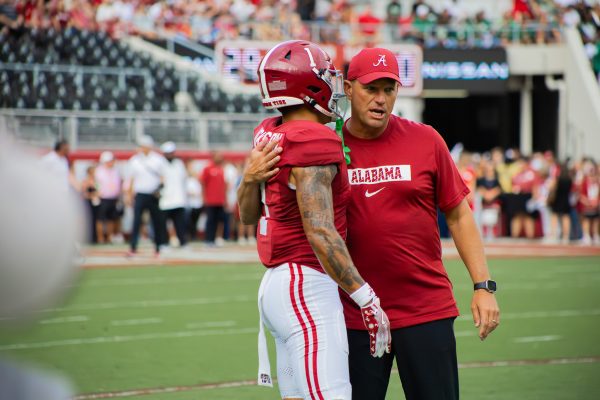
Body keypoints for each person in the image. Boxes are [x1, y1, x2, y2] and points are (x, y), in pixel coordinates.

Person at [243, 46, 500, 400]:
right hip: (352, 311)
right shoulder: (324, 138)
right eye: (370, 89)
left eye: (389, 89)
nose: (380, 99)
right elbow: (258, 211)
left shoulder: (425, 139)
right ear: (347, 89)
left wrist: (483, 286)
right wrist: (247, 178)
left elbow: (458, 214)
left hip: (424, 306)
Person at [236, 40, 391, 400]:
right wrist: (366, 298)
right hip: (305, 285)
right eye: (325, 78)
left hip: (278, 285)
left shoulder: (270, 131)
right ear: (308, 85)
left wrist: (248, 179)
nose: (332, 86)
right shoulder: (312, 138)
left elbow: (247, 215)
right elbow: (320, 230)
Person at [125, 135, 167, 256]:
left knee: (156, 221)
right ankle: (133, 246)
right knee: (137, 221)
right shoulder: (135, 160)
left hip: (153, 194)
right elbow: (131, 179)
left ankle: (158, 246)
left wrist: (159, 189)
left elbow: (163, 177)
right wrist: (128, 195)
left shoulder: (158, 159)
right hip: (140, 193)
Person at [159, 141, 188, 248]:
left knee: (180, 223)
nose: (170, 154)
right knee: (163, 224)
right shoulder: (160, 163)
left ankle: (183, 242)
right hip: (164, 199)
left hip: (178, 198)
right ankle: (163, 243)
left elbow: (183, 180)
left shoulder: (179, 164)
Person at [95, 151, 123, 244]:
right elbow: (96, 184)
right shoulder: (99, 171)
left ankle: (109, 237)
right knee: (101, 219)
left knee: (111, 219)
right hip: (103, 198)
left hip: (113, 197)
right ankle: (101, 238)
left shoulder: (116, 170)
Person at [200, 151, 227, 246]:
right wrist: (203, 197)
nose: (220, 158)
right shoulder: (207, 168)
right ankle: (208, 239)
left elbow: (223, 186)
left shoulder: (221, 169)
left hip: (220, 200)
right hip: (210, 200)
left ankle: (216, 238)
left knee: (219, 220)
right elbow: (203, 183)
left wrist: (224, 199)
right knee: (210, 221)